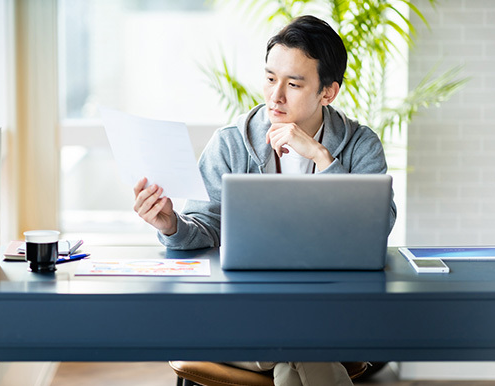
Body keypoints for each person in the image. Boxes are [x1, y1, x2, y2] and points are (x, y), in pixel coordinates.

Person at [133, 15, 396, 386]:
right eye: (271, 78)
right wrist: (171, 224)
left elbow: (377, 227)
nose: (275, 96)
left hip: (329, 312)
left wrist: (322, 157)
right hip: (241, 312)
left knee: (296, 355)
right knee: (306, 352)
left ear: (328, 92)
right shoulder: (230, 143)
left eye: (293, 83)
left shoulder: (360, 145)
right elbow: (205, 224)